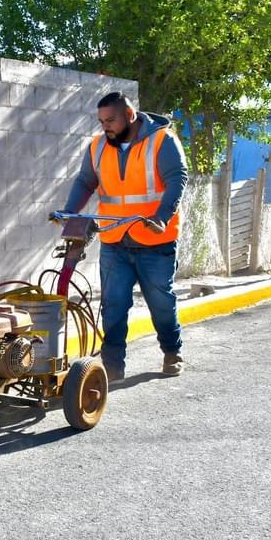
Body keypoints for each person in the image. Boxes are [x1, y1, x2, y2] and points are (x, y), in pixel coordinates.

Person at [59, 91, 188, 381]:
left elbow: (176, 178)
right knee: (114, 305)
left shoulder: (162, 140)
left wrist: (162, 217)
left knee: (161, 304)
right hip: (114, 241)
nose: (105, 127)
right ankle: (113, 367)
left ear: (130, 115)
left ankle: (172, 351)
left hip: (155, 241)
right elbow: (85, 181)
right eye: (101, 121)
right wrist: (69, 212)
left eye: (111, 120)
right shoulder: (97, 146)